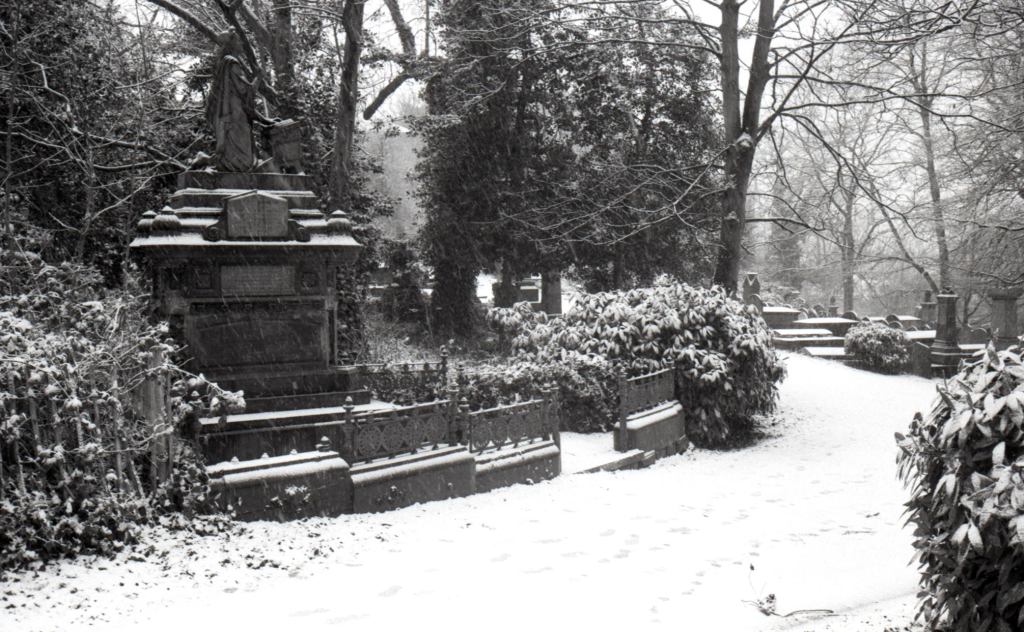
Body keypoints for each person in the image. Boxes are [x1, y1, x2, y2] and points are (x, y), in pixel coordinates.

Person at [205, 30, 275, 171]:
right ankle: (230, 168)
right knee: (244, 162)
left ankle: (209, 161)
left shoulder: (224, 63)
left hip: (230, 112)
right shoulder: (232, 63)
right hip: (235, 113)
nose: (241, 43)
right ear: (231, 44)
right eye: (238, 40)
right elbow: (246, 91)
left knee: (235, 156)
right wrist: (259, 77)